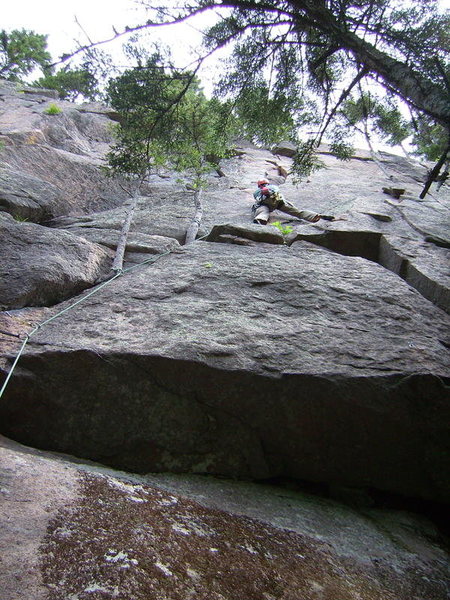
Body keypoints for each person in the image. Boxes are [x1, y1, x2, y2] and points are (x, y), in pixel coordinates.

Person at [252, 179, 333, 224]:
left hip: (268, 204)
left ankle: (260, 219)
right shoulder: (273, 187)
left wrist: (266, 193)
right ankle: (315, 216)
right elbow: (275, 192)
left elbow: (259, 199)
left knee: (263, 211)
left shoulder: (257, 191)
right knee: (297, 212)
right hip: (278, 203)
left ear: (259, 185)